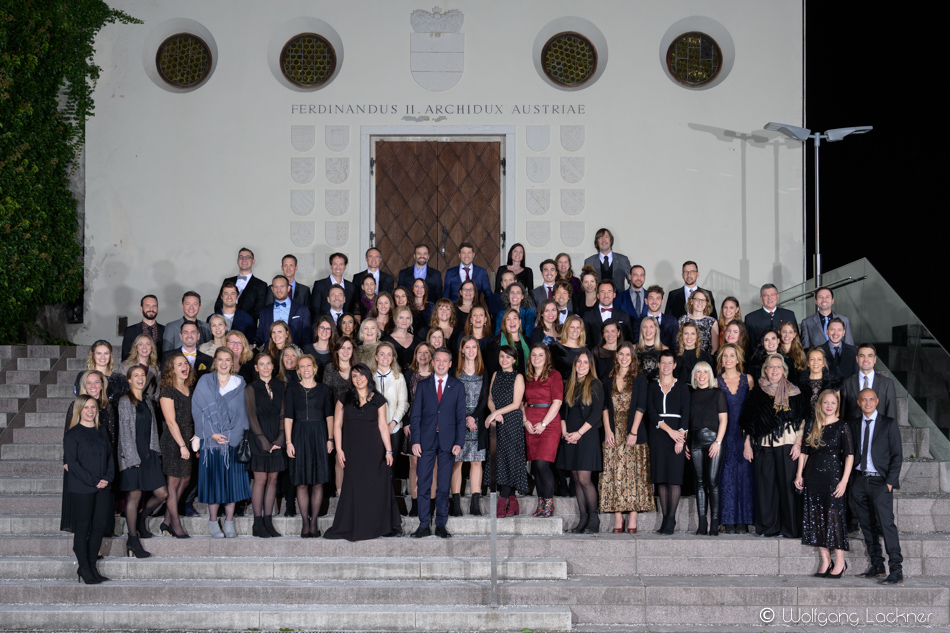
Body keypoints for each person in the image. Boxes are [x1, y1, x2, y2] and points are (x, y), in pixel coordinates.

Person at [325, 364, 402, 540]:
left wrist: (389, 451)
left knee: (376, 487)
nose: (358, 379)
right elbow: (337, 424)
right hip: (351, 449)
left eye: (361, 375)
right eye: (354, 376)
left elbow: (383, 426)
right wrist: (339, 449)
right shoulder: (344, 398)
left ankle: (380, 525)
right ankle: (354, 524)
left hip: (374, 450)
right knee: (354, 487)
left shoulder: (379, 400)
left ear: (368, 377)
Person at [739, 353, 806, 539]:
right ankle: (768, 527)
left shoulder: (795, 392)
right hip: (763, 445)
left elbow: (803, 420)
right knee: (765, 487)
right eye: (771, 367)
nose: (775, 370)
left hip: (788, 444)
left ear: (784, 370)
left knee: (787, 487)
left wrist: (799, 443)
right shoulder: (757, 392)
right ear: (765, 370)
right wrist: (747, 444)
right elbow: (748, 421)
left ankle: (790, 529)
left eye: (778, 367)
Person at [192, 348, 251, 539]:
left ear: (232, 363)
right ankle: (212, 521)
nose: (224, 363)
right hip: (211, 444)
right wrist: (212, 434)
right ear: (215, 362)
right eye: (220, 359)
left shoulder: (240, 383)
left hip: (232, 442)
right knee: (214, 484)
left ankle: (229, 521)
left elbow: (243, 414)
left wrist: (232, 438)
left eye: (228, 360)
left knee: (231, 485)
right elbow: (198, 411)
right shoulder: (205, 382)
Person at [795, 389, 854, 578]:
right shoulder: (812, 424)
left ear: (837, 405)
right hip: (813, 476)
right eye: (826, 403)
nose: (829, 406)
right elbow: (804, 452)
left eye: (833, 403)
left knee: (834, 518)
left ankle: (841, 561)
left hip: (833, 477)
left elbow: (850, 455)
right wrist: (799, 475)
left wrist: (844, 481)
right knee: (817, 518)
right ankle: (826, 560)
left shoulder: (842, 426)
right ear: (820, 404)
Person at [410, 347, 467, 538]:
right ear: (432, 363)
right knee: (424, 483)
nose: (441, 364)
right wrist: (415, 440)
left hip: (448, 441)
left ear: (450, 364)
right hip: (425, 441)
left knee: (443, 484)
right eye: (438, 360)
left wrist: (459, 441)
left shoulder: (457, 386)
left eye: (445, 361)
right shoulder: (423, 385)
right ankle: (424, 524)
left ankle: (441, 524)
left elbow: (460, 417)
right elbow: (415, 415)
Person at [849, 389, 904, 585]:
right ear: (858, 402)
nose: (868, 402)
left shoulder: (888, 424)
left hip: (880, 482)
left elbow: (897, 455)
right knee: (866, 525)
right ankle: (877, 565)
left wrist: (890, 482)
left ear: (877, 401)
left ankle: (896, 569)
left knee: (886, 525)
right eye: (864, 399)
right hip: (859, 481)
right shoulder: (854, 425)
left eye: (871, 399)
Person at [600, 342, 652, 533]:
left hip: (632, 430)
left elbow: (641, 406)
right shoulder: (608, 378)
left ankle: (632, 515)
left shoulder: (639, 379)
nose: (624, 358)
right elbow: (604, 406)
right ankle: (617, 515)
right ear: (616, 356)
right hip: (613, 430)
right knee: (614, 473)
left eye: (627, 355)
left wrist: (633, 432)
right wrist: (607, 430)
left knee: (633, 474)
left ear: (633, 357)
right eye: (621, 354)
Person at [63, 395, 114, 583]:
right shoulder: (72, 434)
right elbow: (73, 465)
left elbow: (110, 458)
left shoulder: (102, 431)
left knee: (99, 527)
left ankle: (92, 566)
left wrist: (107, 478)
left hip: (102, 486)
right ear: (79, 410)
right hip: (81, 487)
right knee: (83, 528)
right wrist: (94, 481)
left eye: (93, 407)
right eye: (86, 407)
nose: (90, 411)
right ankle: (83, 568)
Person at [118, 365, 168, 557]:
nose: (140, 378)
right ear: (129, 379)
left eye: (142, 375)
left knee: (162, 493)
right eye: (135, 376)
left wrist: (155, 452)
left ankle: (141, 519)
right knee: (135, 496)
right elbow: (125, 433)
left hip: (149, 454)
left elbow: (153, 430)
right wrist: (132, 459)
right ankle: (132, 539)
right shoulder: (125, 401)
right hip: (133, 456)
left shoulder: (147, 400)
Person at [283, 354, 334, 537]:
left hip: (319, 434)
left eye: (309, 365)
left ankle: (315, 522)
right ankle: (305, 523)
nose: (305, 368)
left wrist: (330, 439)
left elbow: (330, 416)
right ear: (298, 370)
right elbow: (288, 417)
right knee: (302, 482)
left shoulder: (324, 390)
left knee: (319, 481)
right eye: (302, 366)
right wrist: (288, 442)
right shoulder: (292, 389)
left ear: (315, 368)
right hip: (299, 435)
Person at [557, 348, 605, 533]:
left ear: (590, 365)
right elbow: (563, 411)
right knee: (576, 478)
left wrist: (578, 433)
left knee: (585, 478)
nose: (582, 365)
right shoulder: (570, 384)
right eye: (579, 362)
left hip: (586, 436)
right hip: (570, 436)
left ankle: (594, 518)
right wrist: (565, 433)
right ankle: (583, 518)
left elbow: (595, 415)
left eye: (585, 362)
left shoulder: (594, 384)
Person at [646, 350, 690, 534]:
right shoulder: (652, 386)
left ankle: (671, 520)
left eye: (669, 362)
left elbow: (686, 414)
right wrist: (669, 431)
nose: (666, 366)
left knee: (674, 478)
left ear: (674, 365)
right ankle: (665, 519)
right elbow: (651, 412)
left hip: (678, 437)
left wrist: (681, 438)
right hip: (659, 435)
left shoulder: (681, 387)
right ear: (658, 364)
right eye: (663, 362)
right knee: (661, 479)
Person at [483, 345, 528, 517]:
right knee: (500, 460)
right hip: (498, 421)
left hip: (512, 421)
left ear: (514, 360)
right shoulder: (495, 374)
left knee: (510, 459)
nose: (504, 360)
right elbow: (490, 399)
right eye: (502, 356)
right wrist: (495, 413)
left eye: (508, 357)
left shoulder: (518, 377)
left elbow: (516, 404)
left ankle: (502, 502)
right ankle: (513, 501)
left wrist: (496, 413)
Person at [245, 352, 287, 538]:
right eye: (261, 364)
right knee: (260, 480)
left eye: (268, 363)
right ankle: (257, 523)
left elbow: (283, 415)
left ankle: (268, 522)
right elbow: (251, 416)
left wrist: (280, 439)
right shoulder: (251, 388)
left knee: (273, 480)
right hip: (258, 439)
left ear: (273, 366)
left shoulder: (281, 386)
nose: (265, 367)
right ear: (256, 368)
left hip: (277, 438)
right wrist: (263, 440)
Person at [716, 344, 755, 534]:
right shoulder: (716, 382)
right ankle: (728, 520)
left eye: (732, 355)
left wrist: (749, 439)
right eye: (725, 356)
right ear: (721, 360)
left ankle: (743, 520)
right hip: (724, 435)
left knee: (744, 476)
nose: (728, 359)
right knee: (726, 477)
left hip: (743, 434)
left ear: (738, 359)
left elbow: (752, 412)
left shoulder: (748, 380)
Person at [451, 336, 491, 516]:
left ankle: (475, 502)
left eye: (474, 347)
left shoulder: (483, 370)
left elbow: (484, 398)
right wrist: (464, 418)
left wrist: (473, 417)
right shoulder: (455, 372)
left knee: (476, 461)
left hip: (477, 422)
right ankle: (456, 503)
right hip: (457, 421)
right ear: (462, 350)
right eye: (467, 347)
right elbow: (450, 400)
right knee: (457, 462)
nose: (471, 350)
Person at [687, 361, 728, 536]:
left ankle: (715, 523)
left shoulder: (717, 393)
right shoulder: (690, 394)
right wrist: (687, 443)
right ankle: (702, 523)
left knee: (712, 481)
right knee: (700, 482)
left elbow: (723, 420)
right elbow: (687, 422)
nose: (702, 375)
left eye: (705, 372)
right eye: (698, 372)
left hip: (713, 441)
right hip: (695, 442)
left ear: (710, 375)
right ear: (695, 375)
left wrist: (718, 442)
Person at [158, 353, 196, 539]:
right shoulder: (167, 390)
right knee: (173, 483)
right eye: (179, 364)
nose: (184, 366)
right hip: (174, 442)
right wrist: (182, 445)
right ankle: (175, 524)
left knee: (185, 480)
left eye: (186, 363)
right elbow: (171, 422)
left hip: (188, 439)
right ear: (171, 369)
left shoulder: (190, 387)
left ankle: (166, 521)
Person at [403, 342, 435, 517]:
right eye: (419, 352)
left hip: (432, 424)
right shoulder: (409, 374)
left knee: (433, 465)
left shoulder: (437, 374)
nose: (423, 355)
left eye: (426, 352)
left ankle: (430, 503)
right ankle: (415, 503)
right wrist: (407, 422)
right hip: (414, 422)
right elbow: (405, 399)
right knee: (414, 464)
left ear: (431, 355)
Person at [372, 342, 409, 476]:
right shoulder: (369, 377)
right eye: (382, 354)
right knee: (375, 464)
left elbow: (403, 403)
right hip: (373, 427)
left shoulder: (398, 377)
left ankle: (388, 496)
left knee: (389, 467)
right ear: (376, 357)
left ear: (393, 358)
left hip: (394, 428)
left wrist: (392, 423)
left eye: (389, 354)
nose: (385, 357)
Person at [840, 344, 897, 421]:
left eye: (870, 356)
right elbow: (843, 414)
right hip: (853, 431)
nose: (865, 359)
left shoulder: (887, 383)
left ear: (875, 359)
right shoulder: (847, 383)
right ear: (857, 359)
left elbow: (891, 415)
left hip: (879, 431)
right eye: (862, 356)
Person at [213, 247, 268, 322]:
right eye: (241, 257)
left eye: (247, 257)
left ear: (253, 261)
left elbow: (258, 311)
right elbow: (218, 304)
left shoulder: (261, 285)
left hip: (247, 327)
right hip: (224, 325)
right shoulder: (227, 280)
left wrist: (238, 318)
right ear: (237, 261)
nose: (244, 260)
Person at [257, 275, 311, 348]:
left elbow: (306, 337)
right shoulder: (264, 311)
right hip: (270, 354)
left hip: (294, 354)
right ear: (272, 289)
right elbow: (260, 335)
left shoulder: (302, 310)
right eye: (276, 287)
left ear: (288, 288)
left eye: (282, 286)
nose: (279, 290)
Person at [74, 340, 130, 404]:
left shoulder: (120, 378)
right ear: (93, 355)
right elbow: (80, 400)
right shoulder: (83, 376)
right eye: (99, 353)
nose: (102, 357)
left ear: (110, 355)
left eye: (106, 353)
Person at [583, 279, 633, 346]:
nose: (606, 295)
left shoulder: (623, 316)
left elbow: (629, 341)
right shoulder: (587, 316)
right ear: (597, 295)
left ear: (614, 295)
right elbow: (585, 341)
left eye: (609, 292)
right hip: (594, 355)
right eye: (602, 292)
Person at [798, 348, 841, 426]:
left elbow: (837, 412)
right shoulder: (799, 384)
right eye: (812, 359)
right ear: (808, 363)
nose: (816, 362)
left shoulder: (833, 384)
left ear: (823, 363)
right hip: (804, 427)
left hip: (827, 426)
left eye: (819, 359)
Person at [584, 227, 631, 292]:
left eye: (606, 237)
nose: (603, 240)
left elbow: (632, 281)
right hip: (597, 300)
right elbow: (585, 284)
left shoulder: (623, 260)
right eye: (600, 237)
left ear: (611, 240)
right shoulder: (589, 261)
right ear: (597, 242)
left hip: (618, 300)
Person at [121, 295, 165, 364]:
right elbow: (125, 358)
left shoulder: (165, 330)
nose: (151, 309)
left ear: (157, 309)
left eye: (154, 306)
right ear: (141, 308)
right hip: (137, 372)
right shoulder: (130, 331)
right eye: (147, 306)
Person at [119, 334, 160, 404]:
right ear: (136, 347)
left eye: (148, 344)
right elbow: (121, 389)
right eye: (140, 344)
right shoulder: (125, 366)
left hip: (150, 406)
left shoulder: (156, 368)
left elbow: (157, 392)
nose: (144, 347)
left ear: (152, 348)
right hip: (130, 404)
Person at [677, 289, 719, 355]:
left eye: (703, 300)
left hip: (705, 360)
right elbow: (679, 342)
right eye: (697, 299)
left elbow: (715, 347)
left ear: (706, 303)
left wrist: (709, 361)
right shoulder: (682, 320)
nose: (700, 302)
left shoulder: (712, 322)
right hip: (685, 358)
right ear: (691, 301)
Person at [489, 308, 530, 376]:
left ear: (520, 321)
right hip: (504, 382)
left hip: (526, 382)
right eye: (508, 319)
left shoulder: (527, 341)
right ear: (504, 323)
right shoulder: (496, 341)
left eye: (515, 318)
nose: (512, 322)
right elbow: (491, 367)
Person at [383, 306, 422, 370]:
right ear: (395, 319)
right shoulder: (387, 341)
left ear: (410, 320)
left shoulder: (418, 340)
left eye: (407, 318)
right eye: (401, 318)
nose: (404, 321)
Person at [641, 285, 678, 351]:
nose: (654, 302)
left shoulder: (672, 321)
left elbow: (675, 346)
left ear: (662, 302)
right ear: (646, 301)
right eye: (651, 298)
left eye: (658, 298)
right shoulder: (638, 322)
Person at [635, 317, 667, 382]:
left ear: (656, 330)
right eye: (645, 327)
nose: (648, 330)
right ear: (641, 330)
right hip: (638, 387)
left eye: (651, 327)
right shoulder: (633, 348)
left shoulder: (664, 350)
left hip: (657, 388)